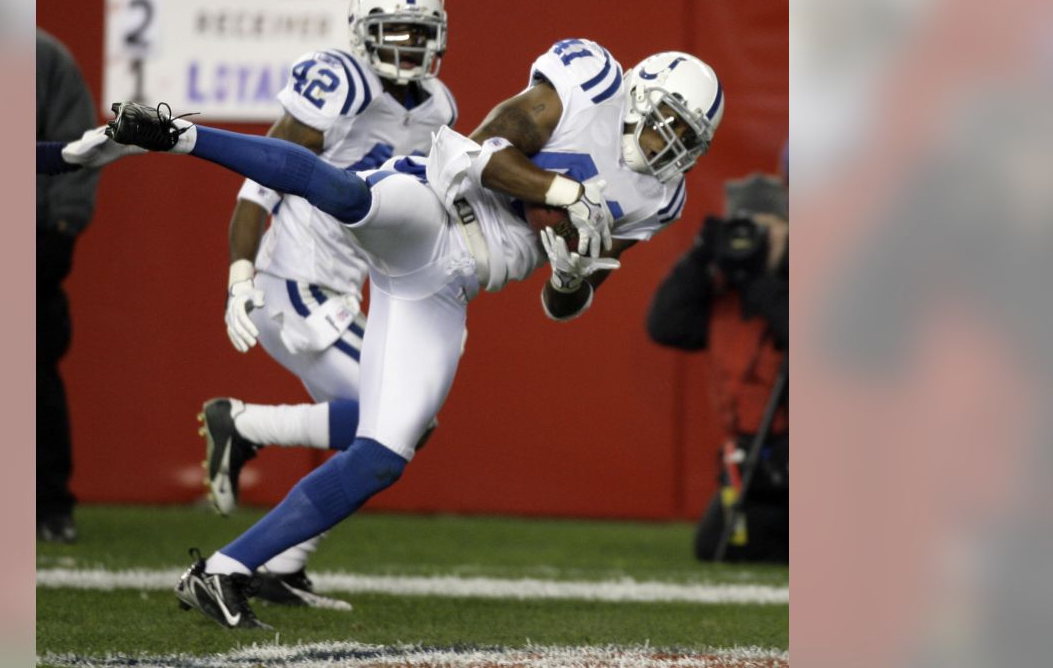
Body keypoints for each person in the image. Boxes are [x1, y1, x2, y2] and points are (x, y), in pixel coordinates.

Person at [106, 41, 725, 629]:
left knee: (383, 456)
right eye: (662, 122)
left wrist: (572, 274)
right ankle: (179, 134)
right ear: (638, 95)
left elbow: (563, 304)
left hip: (445, 289)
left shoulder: (662, 197)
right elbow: (481, 150)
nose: (665, 144)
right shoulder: (588, 83)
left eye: (684, 139)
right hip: (436, 208)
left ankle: (224, 571)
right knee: (347, 193)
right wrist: (566, 192)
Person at [200, 0, 456, 611]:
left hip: (345, 288)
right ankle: (244, 424)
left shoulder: (439, 108)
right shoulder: (338, 80)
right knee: (400, 421)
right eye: (391, 31)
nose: (406, 45)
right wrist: (241, 274)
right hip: (297, 283)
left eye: (418, 33)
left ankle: (280, 567)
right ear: (362, 33)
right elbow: (262, 179)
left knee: (387, 429)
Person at [645, 172, 788, 563]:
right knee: (717, 547)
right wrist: (700, 256)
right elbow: (665, 326)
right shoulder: (722, 296)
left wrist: (761, 280)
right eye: (746, 228)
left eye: (769, 229)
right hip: (752, 462)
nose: (756, 238)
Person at [36, 28, 104, 542]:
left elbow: (76, 146)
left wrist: (62, 225)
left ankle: (49, 503)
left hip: (27, 236)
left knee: (34, 369)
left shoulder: (43, 58)